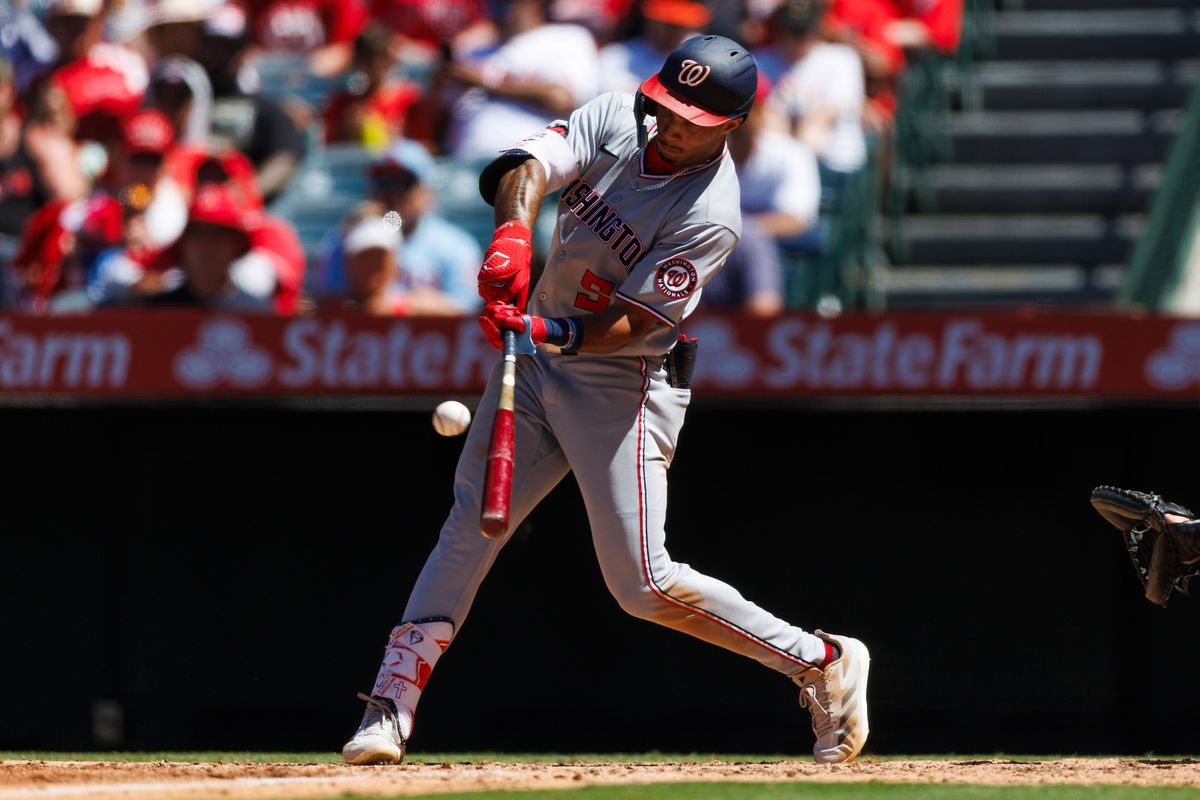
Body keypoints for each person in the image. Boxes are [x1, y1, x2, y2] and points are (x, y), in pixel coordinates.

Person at [341, 34, 870, 766]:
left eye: (691, 116)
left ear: (730, 125)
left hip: (625, 382)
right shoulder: (620, 116)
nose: (670, 122)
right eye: (667, 104)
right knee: (470, 525)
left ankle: (820, 658)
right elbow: (525, 166)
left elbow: (636, 324)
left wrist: (545, 327)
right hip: (538, 360)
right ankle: (389, 705)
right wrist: (511, 237)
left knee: (643, 583)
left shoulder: (711, 211)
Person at [439, 0, 598, 160]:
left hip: (523, 161)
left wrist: (485, 83)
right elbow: (442, 114)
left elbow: (561, 99)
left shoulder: (567, 38)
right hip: (460, 161)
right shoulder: (477, 51)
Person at [322, 23, 423, 147]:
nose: (376, 66)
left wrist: (395, 141)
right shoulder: (343, 103)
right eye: (369, 59)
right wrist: (347, 131)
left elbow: (427, 149)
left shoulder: (410, 99)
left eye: (383, 59)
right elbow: (329, 150)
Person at [597, 0, 711, 95]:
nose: (669, 32)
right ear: (650, 20)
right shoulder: (616, 56)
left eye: (678, 26)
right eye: (665, 24)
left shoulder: (706, 55)